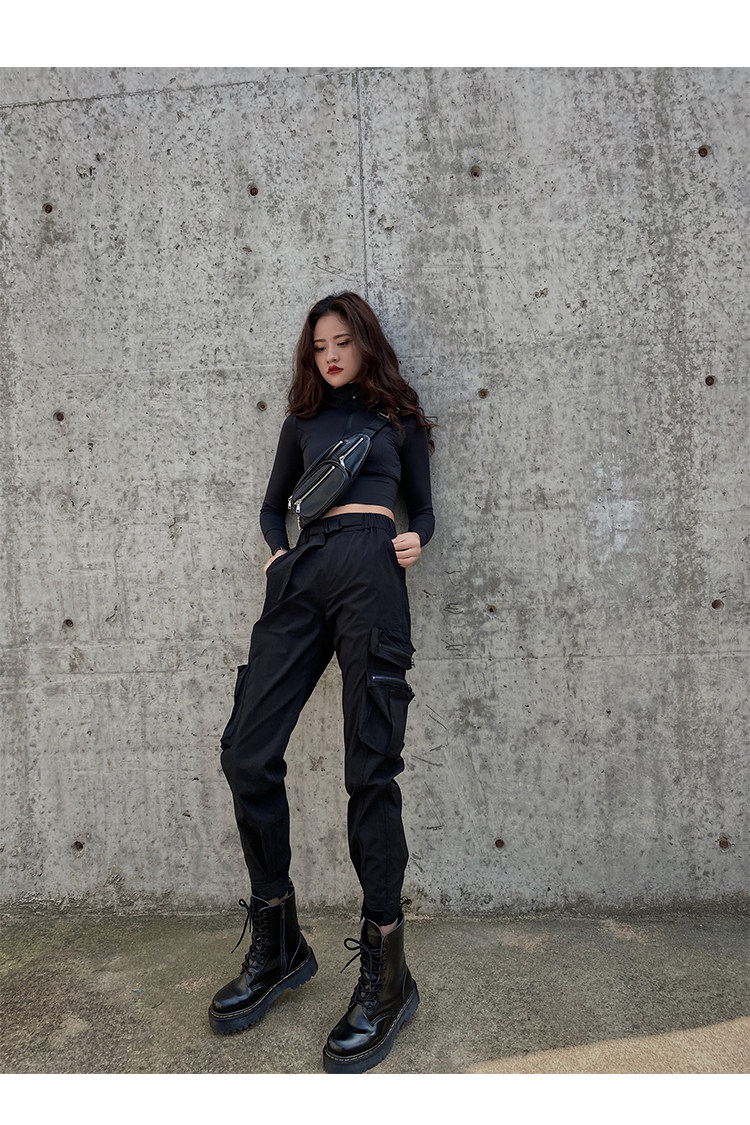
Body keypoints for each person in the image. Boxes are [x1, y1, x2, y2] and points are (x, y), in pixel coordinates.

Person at [209, 291, 435, 1074]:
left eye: (342, 341)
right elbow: (273, 508)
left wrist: (415, 537)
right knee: (246, 752)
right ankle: (279, 940)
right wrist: (280, 556)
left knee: (370, 768)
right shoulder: (301, 424)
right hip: (304, 574)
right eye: (319, 346)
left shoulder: (398, 420)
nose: (331, 355)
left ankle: (388, 971)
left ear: (365, 343)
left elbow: (424, 508)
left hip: (374, 570)